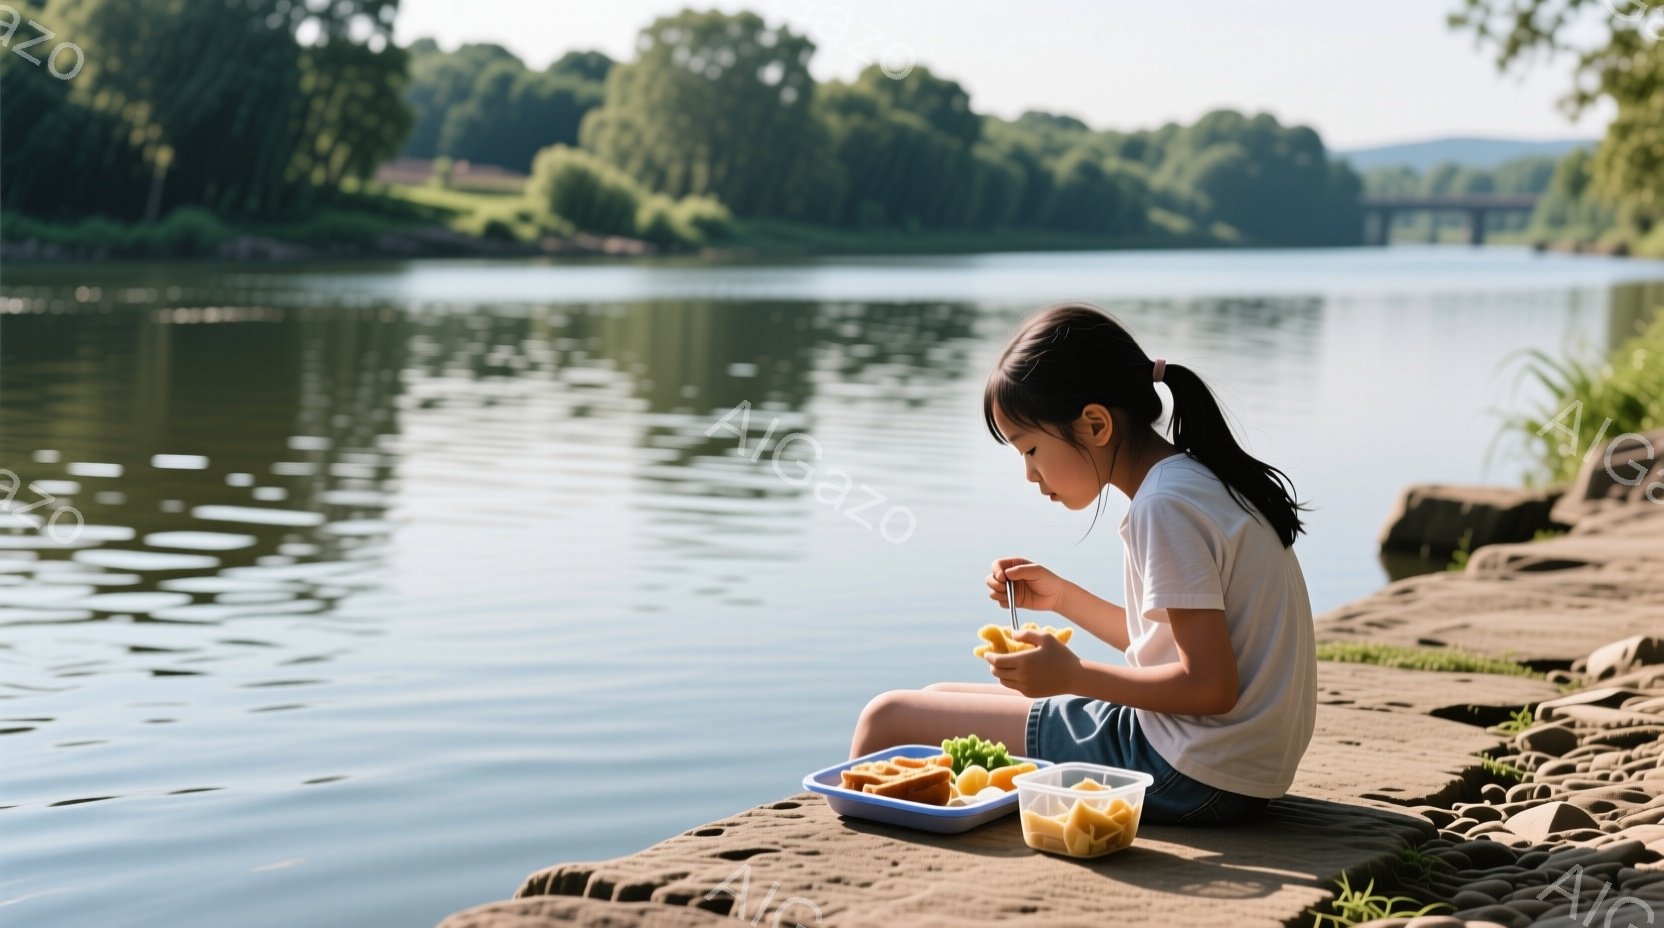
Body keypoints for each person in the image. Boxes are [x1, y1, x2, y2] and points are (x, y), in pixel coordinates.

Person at [847, 302, 1317, 825]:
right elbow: (1172, 649)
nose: (1028, 473)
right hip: (1229, 766)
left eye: (1029, 449)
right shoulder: (1191, 481)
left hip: (1187, 770)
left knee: (889, 718)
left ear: (1095, 424)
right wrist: (1062, 598)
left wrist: (1071, 676)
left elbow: (1210, 686)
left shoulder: (1164, 507)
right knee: (934, 699)